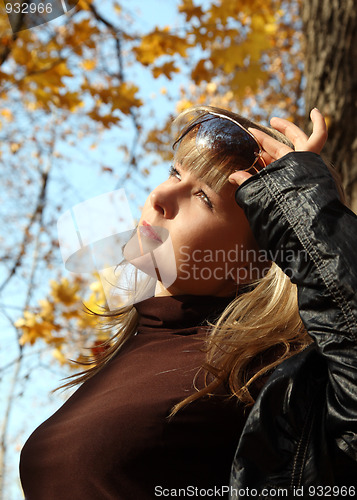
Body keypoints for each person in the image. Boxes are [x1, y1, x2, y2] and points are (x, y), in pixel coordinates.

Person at [19, 105, 357, 499]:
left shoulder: (269, 384)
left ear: (255, 260)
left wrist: (303, 208)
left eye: (203, 197)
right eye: (175, 172)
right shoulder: (131, 352)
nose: (160, 195)